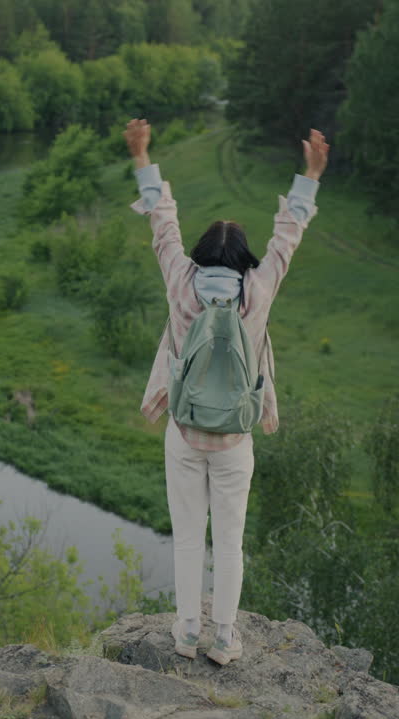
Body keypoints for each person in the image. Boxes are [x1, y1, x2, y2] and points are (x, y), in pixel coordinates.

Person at [123, 118, 329, 665]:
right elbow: (288, 235)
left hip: (185, 432)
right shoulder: (257, 292)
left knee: (189, 537)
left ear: (200, 254)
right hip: (236, 437)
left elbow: (162, 224)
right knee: (230, 542)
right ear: (242, 261)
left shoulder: (180, 280)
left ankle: (186, 634)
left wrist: (143, 156)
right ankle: (224, 639)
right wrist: (310, 174)